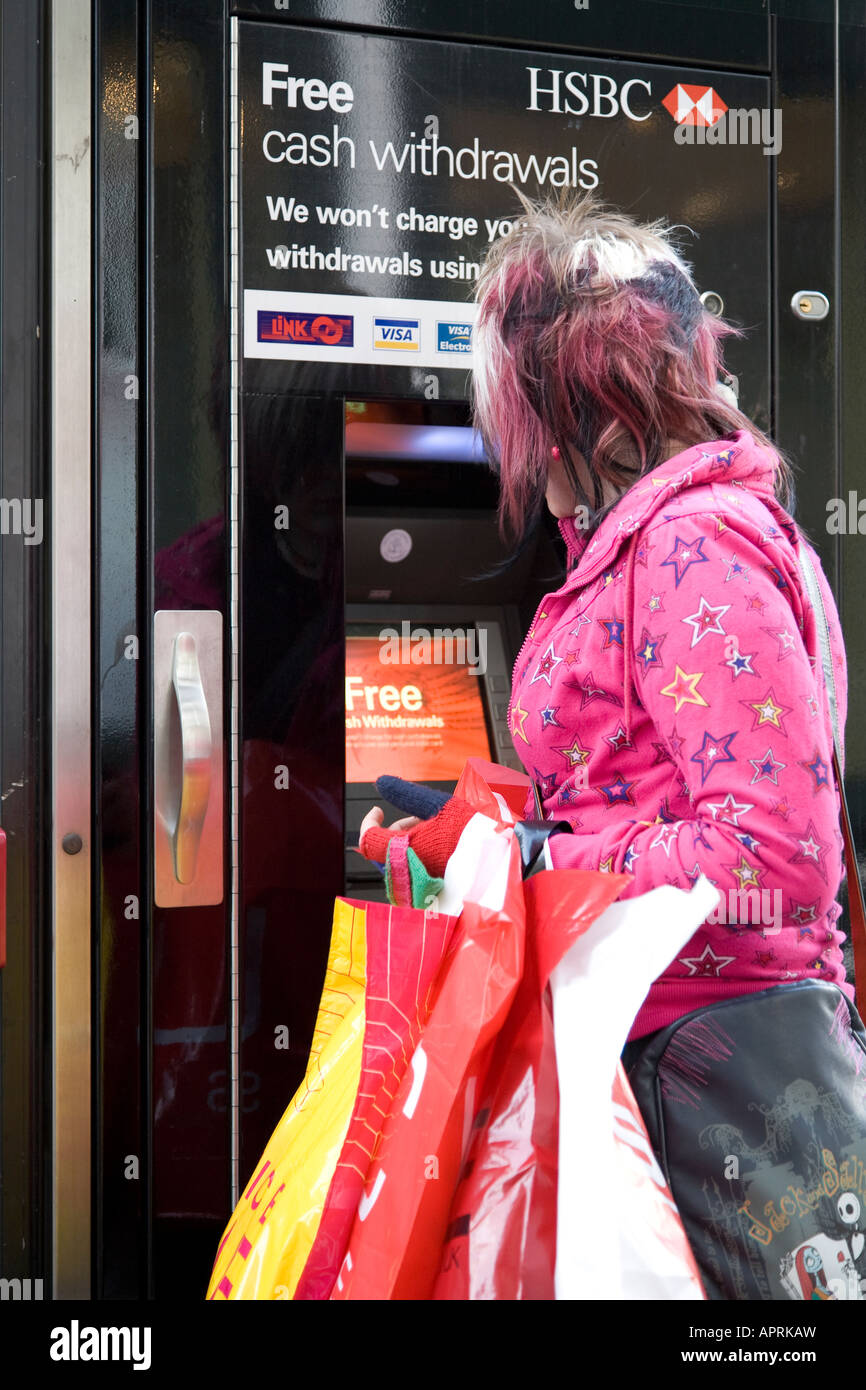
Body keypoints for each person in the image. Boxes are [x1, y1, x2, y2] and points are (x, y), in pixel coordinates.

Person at [360, 193, 853, 1046]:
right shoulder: (669, 536)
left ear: (565, 414)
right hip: (643, 1055)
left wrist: (530, 862)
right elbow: (642, 795)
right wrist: (493, 836)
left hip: (702, 1089)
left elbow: (774, 864)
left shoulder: (688, 547)